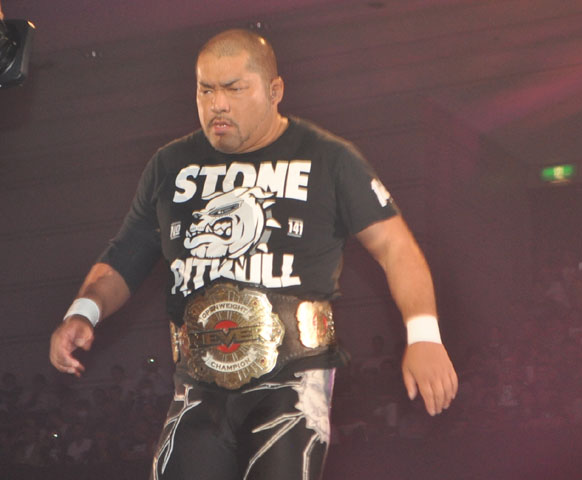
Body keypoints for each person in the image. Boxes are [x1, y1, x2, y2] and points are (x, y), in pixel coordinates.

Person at [49, 28, 458, 480]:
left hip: (292, 384)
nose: (217, 104)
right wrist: (83, 311)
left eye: (234, 88)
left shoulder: (327, 158)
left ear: (274, 91)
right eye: (206, 90)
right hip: (197, 388)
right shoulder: (171, 166)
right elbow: (126, 254)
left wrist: (424, 335)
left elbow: (395, 247)